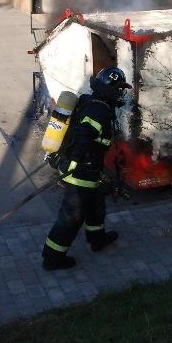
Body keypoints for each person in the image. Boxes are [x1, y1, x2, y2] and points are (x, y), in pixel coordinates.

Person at [41, 67, 132, 271]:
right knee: (72, 216)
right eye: (119, 88)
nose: (121, 93)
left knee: (96, 204)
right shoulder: (99, 110)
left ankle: (97, 238)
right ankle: (52, 257)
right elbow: (83, 135)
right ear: (110, 88)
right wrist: (86, 159)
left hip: (89, 171)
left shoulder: (92, 102)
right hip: (80, 172)